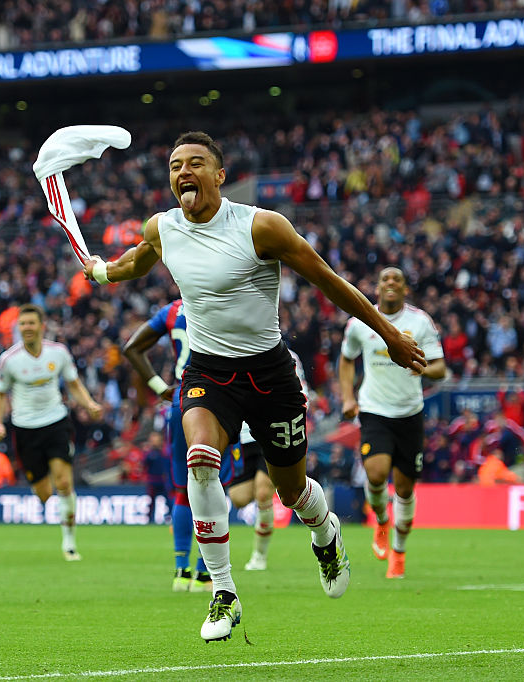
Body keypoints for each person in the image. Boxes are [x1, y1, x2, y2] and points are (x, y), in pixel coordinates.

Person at [80, 131, 425, 642]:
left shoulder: (261, 226)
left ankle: (325, 531)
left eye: (196, 163)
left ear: (220, 175)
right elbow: (137, 260)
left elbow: (329, 280)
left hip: (269, 375)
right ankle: (224, 592)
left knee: (291, 491)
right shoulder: (163, 227)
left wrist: (390, 334)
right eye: (175, 166)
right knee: (200, 459)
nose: (183, 173)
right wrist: (104, 271)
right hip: (206, 372)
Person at [338, 266, 446, 579]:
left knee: (404, 488)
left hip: (410, 413)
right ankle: (381, 519)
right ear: (377, 286)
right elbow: (346, 358)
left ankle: (398, 552)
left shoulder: (420, 321)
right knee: (375, 473)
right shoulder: (360, 321)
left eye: (397, 279)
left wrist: (422, 367)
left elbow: (440, 367)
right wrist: (347, 397)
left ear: (404, 289)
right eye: (385, 278)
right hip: (374, 410)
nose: (390, 283)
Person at [122, 299, 228, 593]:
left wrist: (160, 388)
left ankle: (181, 571)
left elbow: (131, 348)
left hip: (182, 399)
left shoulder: (172, 310)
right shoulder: (225, 298)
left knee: (183, 489)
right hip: (219, 397)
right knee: (215, 483)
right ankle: (206, 573)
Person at [0, 303, 102, 561]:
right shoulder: (9, 359)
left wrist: (89, 404)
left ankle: (70, 544)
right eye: (23, 324)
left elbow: (73, 384)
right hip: (26, 429)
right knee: (44, 494)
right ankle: (49, 495)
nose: (27, 328)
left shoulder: (59, 353)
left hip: (56, 422)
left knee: (64, 482)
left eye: (31, 323)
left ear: (42, 327)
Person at [229, 348, 308, 572]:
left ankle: (259, 556)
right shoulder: (233, 352)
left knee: (263, 493)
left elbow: (303, 391)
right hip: (243, 437)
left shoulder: (289, 357)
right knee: (239, 498)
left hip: (271, 431)